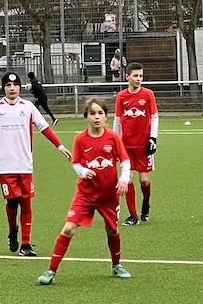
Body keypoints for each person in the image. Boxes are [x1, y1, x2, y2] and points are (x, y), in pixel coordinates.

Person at [0, 72, 72, 257]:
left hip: (25, 163)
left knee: (26, 202)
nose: (12, 88)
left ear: (20, 88)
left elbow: (44, 128)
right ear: (3, 88)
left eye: (15, 85)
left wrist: (60, 146)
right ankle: (13, 230)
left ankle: (26, 244)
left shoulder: (28, 106)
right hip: (5, 164)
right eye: (8, 85)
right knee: (13, 201)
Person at [37, 97, 132, 285]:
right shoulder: (80, 139)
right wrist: (83, 171)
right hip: (85, 195)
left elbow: (125, 160)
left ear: (105, 116)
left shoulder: (113, 137)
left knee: (112, 230)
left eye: (100, 113)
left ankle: (116, 265)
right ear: (86, 117)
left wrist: (123, 179)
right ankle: (51, 271)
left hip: (108, 196)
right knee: (68, 229)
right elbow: (76, 163)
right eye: (92, 113)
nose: (96, 117)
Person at [114, 61, 159, 225]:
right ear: (127, 77)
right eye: (135, 76)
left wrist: (153, 138)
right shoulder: (121, 96)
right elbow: (118, 120)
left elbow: (154, 117)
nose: (139, 78)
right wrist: (115, 141)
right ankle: (133, 215)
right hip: (126, 145)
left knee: (144, 180)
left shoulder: (148, 94)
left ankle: (145, 204)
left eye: (141, 76)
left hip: (143, 145)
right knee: (128, 178)